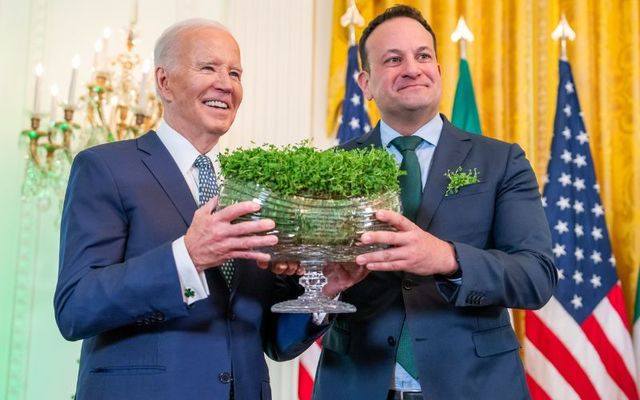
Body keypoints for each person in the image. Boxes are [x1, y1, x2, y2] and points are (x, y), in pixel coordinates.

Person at [54, 19, 331, 400]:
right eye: (208, 67)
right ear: (164, 82)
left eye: (235, 72)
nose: (226, 83)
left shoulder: (253, 189)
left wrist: (323, 290)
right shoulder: (105, 168)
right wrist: (187, 257)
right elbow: (75, 307)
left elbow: (272, 340)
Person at [312, 5, 558, 400]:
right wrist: (323, 289)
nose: (412, 68)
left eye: (423, 55)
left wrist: (447, 258)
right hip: (357, 384)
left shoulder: (501, 161)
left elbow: (536, 276)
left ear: (439, 72)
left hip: (476, 388)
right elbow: (301, 284)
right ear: (365, 84)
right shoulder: (329, 170)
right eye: (393, 59)